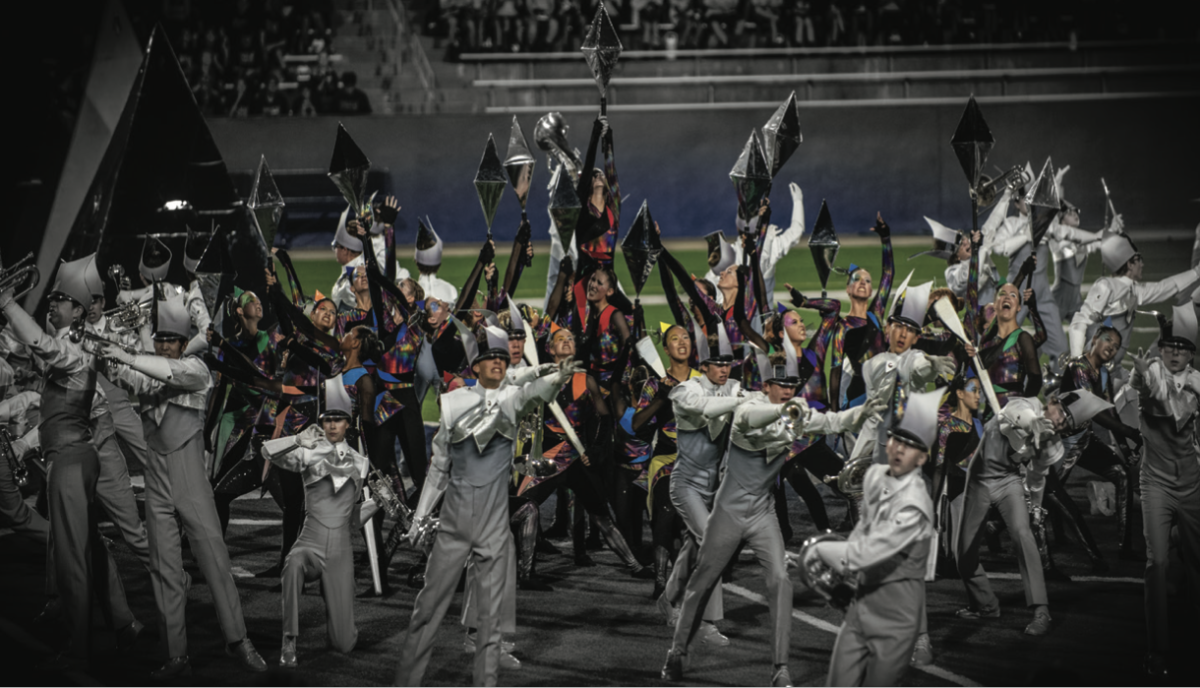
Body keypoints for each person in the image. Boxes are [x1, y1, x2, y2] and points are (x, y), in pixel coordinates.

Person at [662, 351, 879, 686]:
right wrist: (784, 410)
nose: (788, 391)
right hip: (729, 513)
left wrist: (865, 410)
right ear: (766, 386)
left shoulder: (795, 409)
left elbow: (834, 422)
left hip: (763, 513)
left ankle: (781, 669)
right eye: (781, 385)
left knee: (780, 581)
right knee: (702, 581)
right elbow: (757, 416)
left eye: (792, 385)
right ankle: (676, 652)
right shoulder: (751, 408)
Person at [393, 324, 576, 687]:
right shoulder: (453, 403)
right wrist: (420, 517)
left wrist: (557, 376)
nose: (497, 362)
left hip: (494, 527)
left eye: (502, 358)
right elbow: (438, 470)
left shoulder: (512, 400)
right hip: (454, 525)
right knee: (426, 611)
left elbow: (534, 392)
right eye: (489, 357)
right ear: (474, 366)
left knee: (493, 620)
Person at [99, 293, 266, 678]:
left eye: (170, 340)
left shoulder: (197, 370)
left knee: (215, 562)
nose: (163, 345)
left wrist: (124, 354)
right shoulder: (146, 368)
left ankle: (238, 639)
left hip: (190, 482)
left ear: (183, 341)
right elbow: (117, 372)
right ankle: (176, 655)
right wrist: (98, 337)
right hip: (157, 480)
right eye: (158, 339)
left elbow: (161, 371)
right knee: (163, 568)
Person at [0, 255, 141, 671]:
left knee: (71, 558)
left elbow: (42, 345)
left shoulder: (78, 348)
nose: (53, 303)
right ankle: (123, 622)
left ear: (78, 309)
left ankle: (80, 647)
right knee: (90, 548)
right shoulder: (71, 342)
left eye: (61, 299)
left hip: (71, 461)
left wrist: (7, 303)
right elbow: (37, 349)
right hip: (71, 457)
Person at [811, 389, 941, 687]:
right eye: (895, 439)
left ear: (922, 457)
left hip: (895, 619)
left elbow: (863, 554)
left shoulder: (915, 506)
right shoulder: (875, 476)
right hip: (861, 607)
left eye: (909, 447)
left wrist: (818, 551)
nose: (897, 449)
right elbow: (863, 533)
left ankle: (922, 639)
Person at [955, 391, 1107, 637]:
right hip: (978, 482)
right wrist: (1032, 423)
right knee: (963, 553)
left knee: (1023, 536)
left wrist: (1035, 508)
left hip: (1009, 482)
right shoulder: (1024, 405)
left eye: (1067, 422)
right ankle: (984, 604)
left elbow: (1036, 478)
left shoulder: (1051, 444)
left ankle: (1041, 611)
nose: (1061, 422)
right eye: (1061, 414)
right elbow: (1017, 414)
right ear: (1053, 402)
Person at [261, 377, 370, 668]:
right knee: (293, 564)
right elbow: (266, 451)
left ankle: (338, 614)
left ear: (349, 423)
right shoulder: (308, 450)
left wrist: (375, 506)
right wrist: (297, 439)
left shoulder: (361, 463)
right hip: (310, 541)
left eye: (339, 420)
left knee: (345, 644)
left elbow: (353, 518)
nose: (333, 425)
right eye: (328, 420)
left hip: (340, 551)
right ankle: (289, 640)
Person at [656, 327, 742, 648]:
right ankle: (705, 622)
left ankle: (669, 598)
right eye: (716, 364)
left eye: (727, 364)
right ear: (702, 365)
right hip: (686, 485)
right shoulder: (684, 391)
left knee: (695, 548)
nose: (723, 369)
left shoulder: (733, 386)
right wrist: (739, 402)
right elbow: (707, 409)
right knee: (713, 544)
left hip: (713, 490)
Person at [1128, 306, 1200, 677]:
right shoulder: (1149, 371)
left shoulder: (1197, 381)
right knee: (1157, 563)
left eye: (1182, 348)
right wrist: (1141, 379)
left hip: (1191, 485)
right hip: (1155, 482)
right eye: (1169, 346)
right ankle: (1158, 650)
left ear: (1191, 354)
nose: (1173, 353)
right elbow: (1153, 397)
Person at [1058, 326, 1144, 561]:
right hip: (1061, 442)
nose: (1112, 348)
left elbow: (1109, 411)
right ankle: (995, 526)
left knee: (1122, 474)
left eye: (1116, 346)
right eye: (1107, 340)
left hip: (1084, 440)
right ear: (1094, 340)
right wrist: (1129, 431)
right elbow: (1093, 411)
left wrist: (1126, 447)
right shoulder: (1078, 368)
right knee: (1047, 492)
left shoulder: (1102, 372)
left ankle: (1124, 548)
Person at [1070, 232, 1200, 372]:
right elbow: (1079, 322)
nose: (1142, 264)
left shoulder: (1133, 290)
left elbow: (1165, 287)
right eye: (1139, 259)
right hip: (1093, 369)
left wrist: (1197, 272)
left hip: (1114, 370)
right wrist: (1077, 361)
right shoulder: (1106, 286)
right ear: (1130, 264)